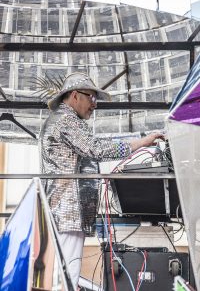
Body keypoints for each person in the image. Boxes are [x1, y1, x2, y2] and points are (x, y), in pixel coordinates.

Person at [39, 72, 164, 290]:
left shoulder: (64, 119)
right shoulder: (65, 119)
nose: (94, 104)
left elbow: (92, 146)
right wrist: (142, 143)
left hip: (66, 209)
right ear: (75, 96)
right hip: (67, 209)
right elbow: (97, 149)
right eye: (92, 97)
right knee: (68, 275)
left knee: (67, 274)